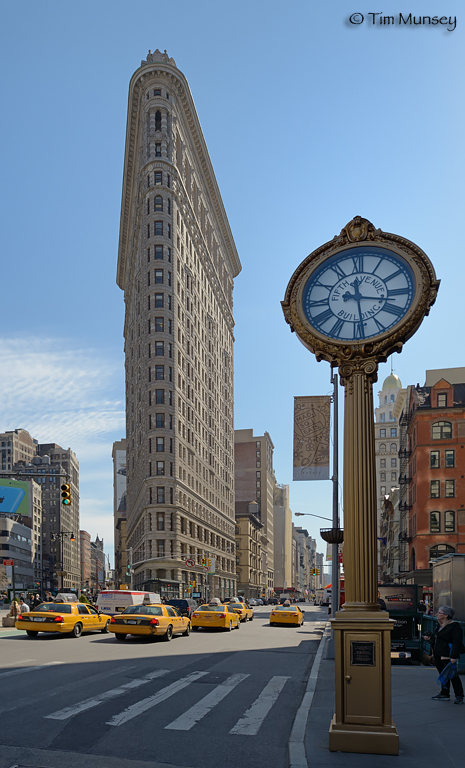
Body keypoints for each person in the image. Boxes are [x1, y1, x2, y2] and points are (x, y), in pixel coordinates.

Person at [423, 605, 464, 704]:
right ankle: (444, 693)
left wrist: (453, 656)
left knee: (452, 675)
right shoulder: (439, 625)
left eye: (439, 613)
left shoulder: (454, 627)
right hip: (437, 653)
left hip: (447, 654)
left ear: (446, 615)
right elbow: (437, 639)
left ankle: (459, 695)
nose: (436, 614)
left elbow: (457, 642)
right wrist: (429, 639)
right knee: (442, 674)